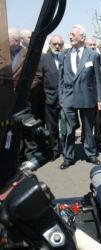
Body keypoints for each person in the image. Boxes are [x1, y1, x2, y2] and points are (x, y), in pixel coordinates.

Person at [59, 25, 101, 169]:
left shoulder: (93, 55)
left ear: (82, 37)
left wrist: (100, 99)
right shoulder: (64, 54)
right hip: (68, 97)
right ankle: (68, 157)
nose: (70, 36)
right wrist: (61, 97)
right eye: (69, 34)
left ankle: (91, 154)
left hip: (87, 97)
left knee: (88, 128)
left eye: (73, 34)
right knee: (68, 129)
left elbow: (97, 79)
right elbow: (60, 78)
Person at [9, 27, 43, 161]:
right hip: (6, 100)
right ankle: (15, 156)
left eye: (9, 40)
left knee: (27, 130)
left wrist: (22, 92)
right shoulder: (4, 55)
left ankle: (30, 157)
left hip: (24, 99)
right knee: (12, 129)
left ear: (16, 40)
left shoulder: (29, 54)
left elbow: (37, 76)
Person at [40, 34, 64, 160]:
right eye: (54, 44)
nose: (57, 46)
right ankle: (54, 150)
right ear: (50, 45)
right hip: (49, 98)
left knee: (66, 127)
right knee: (51, 127)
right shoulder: (43, 59)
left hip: (65, 99)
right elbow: (40, 78)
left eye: (59, 44)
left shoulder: (66, 58)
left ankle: (66, 149)